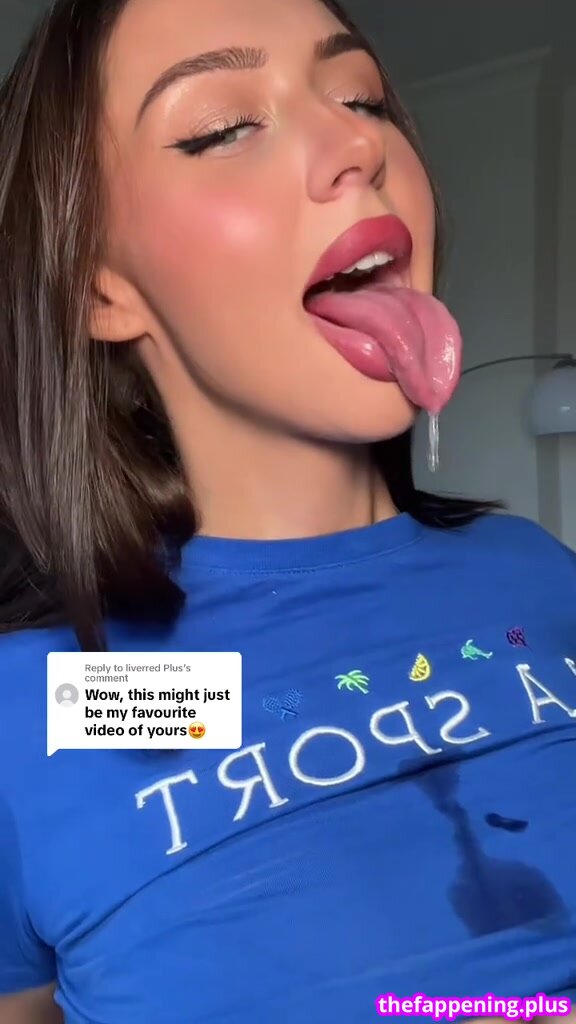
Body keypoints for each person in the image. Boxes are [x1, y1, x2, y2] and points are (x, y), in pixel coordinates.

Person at [0, 0, 574, 1022]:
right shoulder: (49, 702)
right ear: (99, 290)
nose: (359, 142)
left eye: (363, 97)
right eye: (224, 127)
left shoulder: (534, 575)